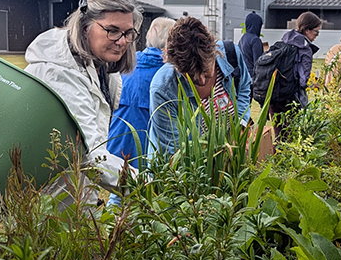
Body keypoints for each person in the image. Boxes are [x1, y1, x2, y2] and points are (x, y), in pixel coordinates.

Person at [24, 0, 140, 201]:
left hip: (72, 189)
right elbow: (90, 153)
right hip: (45, 198)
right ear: (85, 27)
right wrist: (150, 187)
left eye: (128, 33)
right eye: (112, 30)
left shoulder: (100, 66)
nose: (122, 41)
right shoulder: (59, 73)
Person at [148, 16, 251, 154]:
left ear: (215, 53)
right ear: (176, 67)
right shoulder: (163, 89)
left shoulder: (231, 55)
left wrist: (240, 126)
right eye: (190, 76)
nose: (202, 81)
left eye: (206, 72)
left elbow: (244, 87)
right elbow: (173, 151)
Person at [107, 16, 174, 167]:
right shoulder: (169, 74)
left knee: (117, 185)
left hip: (116, 143)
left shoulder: (126, 64)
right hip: (148, 150)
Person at [238, 11, 264, 77]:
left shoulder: (242, 39)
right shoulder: (255, 40)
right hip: (252, 76)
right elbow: (258, 63)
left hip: (242, 75)